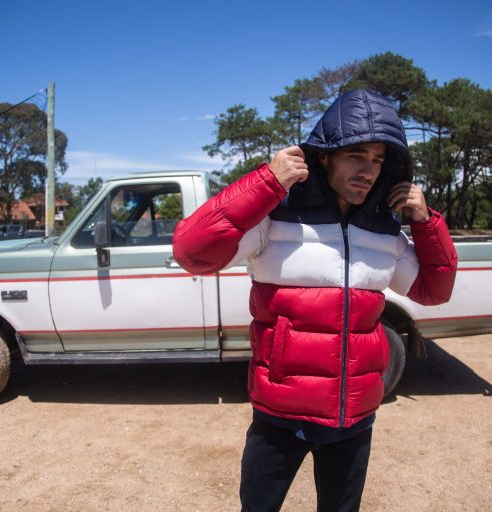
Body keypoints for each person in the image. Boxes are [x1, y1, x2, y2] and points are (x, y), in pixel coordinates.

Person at [173, 89, 458, 512]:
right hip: (279, 416)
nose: (368, 171)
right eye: (355, 156)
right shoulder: (274, 220)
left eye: (378, 160)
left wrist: (425, 221)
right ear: (324, 156)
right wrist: (267, 182)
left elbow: (434, 291)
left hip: (354, 419)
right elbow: (192, 252)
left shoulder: (384, 233)